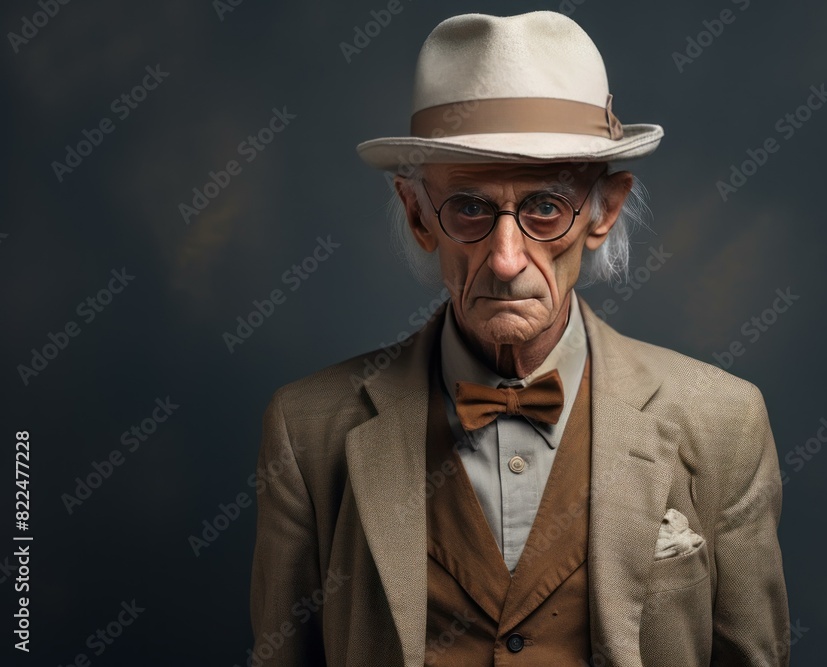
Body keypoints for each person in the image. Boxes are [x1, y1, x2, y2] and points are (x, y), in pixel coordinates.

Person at [250, 10, 789, 666]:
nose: (506, 260)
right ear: (419, 215)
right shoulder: (308, 431)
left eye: (544, 207)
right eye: (470, 208)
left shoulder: (723, 421)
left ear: (604, 209)